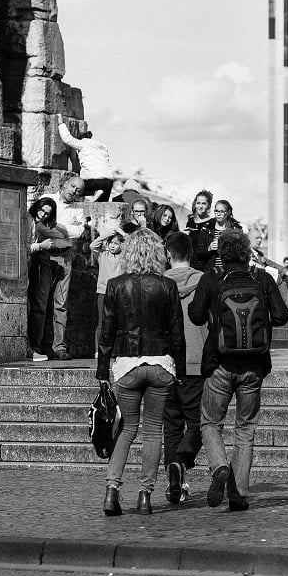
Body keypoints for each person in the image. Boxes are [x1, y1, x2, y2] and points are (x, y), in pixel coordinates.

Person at [188, 231, 288, 512]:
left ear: (222, 252)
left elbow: (195, 315)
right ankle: (239, 493)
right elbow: (282, 316)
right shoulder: (261, 278)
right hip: (254, 367)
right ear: (246, 252)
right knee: (245, 429)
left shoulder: (212, 278)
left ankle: (220, 466)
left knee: (210, 422)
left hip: (219, 364)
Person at [96, 229, 184, 516]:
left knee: (126, 430)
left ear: (129, 252)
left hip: (127, 364)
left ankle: (112, 490)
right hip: (160, 364)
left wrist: (102, 371)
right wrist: (180, 371)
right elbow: (177, 334)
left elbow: (106, 332)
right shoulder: (167, 285)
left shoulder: (115, 285)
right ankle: (145, 495)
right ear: (158, 254)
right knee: (153, 432)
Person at [162, 232, 208, 504]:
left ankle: (173, 479)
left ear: (168, 254)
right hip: (196, 362)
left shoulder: (159, 283)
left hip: (166, 364)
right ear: (190, 254)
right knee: (202, 423)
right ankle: (181, 462)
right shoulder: (203, 282)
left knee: (171, 425)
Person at [38, 177, 92, 359]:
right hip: (45, 254)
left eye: (79, 190)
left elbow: (77, 233)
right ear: (65, 184)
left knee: (60, 304)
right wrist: (65, 228)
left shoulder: (78, 209)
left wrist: (55, 224)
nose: (75, 191)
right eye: (73, 186)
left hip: (65, 255)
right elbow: (40, 224)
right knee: (41, 301)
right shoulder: (47, 198)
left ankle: (59, 346)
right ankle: (39, 345)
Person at [26, 197, 72, 362]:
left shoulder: (40, 223)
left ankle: (51, 346)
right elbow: (22, 245)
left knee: (55, 306)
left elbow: (67, 236)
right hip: (38, 260)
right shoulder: (29, 220)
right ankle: (35, 347)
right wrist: (41, 245)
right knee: (40, 306)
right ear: (36, 206)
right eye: (42, 210)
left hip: (51, 259)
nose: (43, 214)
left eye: (47, 213)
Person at [90, 220, 128, 360]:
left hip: (119, 293)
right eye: (111, 243)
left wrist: (122, 233)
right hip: (103, 291)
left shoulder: (124, 257)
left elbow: (132, 246)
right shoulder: (103, 255)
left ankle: (116, 350)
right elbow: (92, 245)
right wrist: (105, 235)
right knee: (102, 322)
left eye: (116, 243)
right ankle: (98, 350)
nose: (112, 246)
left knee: (119, 322)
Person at [57, 122, 114, 201]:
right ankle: (97, 193)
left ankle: (95, 191)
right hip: (109, 181)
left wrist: (61, 124)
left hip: (94, 180)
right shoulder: (102, 147)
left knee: (76, 189)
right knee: (102, 204)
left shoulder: (83, 143)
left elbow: (67, 139)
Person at [185, 190, 217, 270]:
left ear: (209, 206)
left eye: (204, 203)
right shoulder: (190, 222)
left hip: (205, 266)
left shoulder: (212, 223)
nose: (200, 206)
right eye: (198, 203)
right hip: (189, 264)